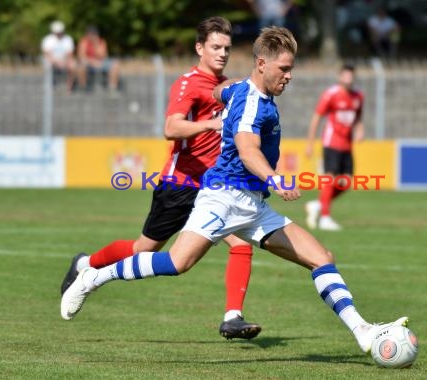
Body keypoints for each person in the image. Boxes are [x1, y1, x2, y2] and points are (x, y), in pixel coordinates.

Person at [61, 26, 408, 356]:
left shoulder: (242, 89)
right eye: (284, 69)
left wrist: (221, 95)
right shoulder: (253, 104)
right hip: (224, 198)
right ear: (262, 64)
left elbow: (219, 92)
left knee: (322, 258)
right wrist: (275, 179)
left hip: (253, 206)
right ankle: (94, 277)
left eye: (291, 69)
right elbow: (247, 149)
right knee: (176, 263)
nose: (289, 76)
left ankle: (362, 330)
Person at [60, 16, 261, 340]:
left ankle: (232, 317)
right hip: (180, 184)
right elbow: (171, 128)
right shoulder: (188, 84)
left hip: (214, 185)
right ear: (199, 48)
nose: (222, 53)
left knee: (240, 243)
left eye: (226, 48)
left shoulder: (226, 88)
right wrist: (208, 126)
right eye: (215, 47)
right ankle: (87, 263)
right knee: (143, 249)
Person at [304, 64, 364, 231]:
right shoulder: (331, 94)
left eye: (351, 76)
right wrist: (310, 143)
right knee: (330, 179)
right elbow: (317, 117)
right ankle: (325, 217)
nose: (348, 79)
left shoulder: (358, 96)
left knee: (347, 182)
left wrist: (360, 130)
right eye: (345, 75)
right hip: (331, 143)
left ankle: (318, 205)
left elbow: (358, 117)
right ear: (340, 77)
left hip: (347, 144)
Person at [77, 26, 121, 93]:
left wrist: (96, 45)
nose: (92, 36)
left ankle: (112, 88)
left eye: (94, 34)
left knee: (115, 64)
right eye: (90, 34)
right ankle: (83, 87)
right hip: (89, 63)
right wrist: (92, 62)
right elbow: (81, 56)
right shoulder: (83, 42)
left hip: (100, 62)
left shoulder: (101, 41)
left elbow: (103, 55)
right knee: (82, 65)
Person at [41, 20, 77, 92]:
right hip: (52, 60)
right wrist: (56, 62)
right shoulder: (48, 39)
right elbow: (47, 54)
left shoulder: (67, 39)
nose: (58, 33)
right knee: (47, 64)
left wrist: (64, 62)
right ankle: (49, 85)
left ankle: (69, 87)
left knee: (73, 65)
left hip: (64, 60)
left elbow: (70, 54)